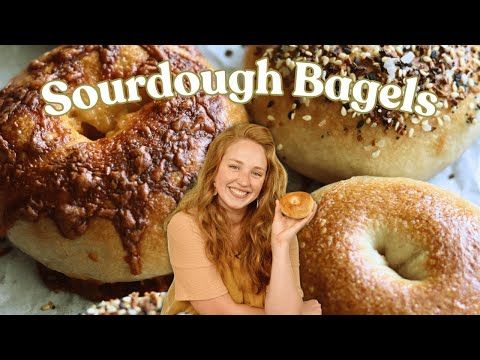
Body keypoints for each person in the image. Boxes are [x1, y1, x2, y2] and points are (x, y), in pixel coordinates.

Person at [160, 123, 322, 315]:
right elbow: (218, 311)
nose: (244, 181)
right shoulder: (185, 225)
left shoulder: (281, 229)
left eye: (256, 173)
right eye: (234, 167)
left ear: (265, 183)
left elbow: (285, 310)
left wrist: (280, 244)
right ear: (214, 172)